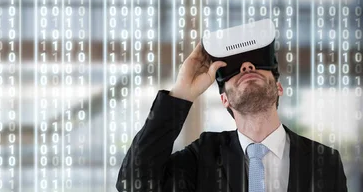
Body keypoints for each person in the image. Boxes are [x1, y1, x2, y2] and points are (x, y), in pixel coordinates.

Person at [115, 42, 347, 192]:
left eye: (256, 65)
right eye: (235, 70)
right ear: (224, 100)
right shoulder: (202, 156)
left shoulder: (325, 161)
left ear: (278, 88)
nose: (246, 67)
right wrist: (182, 93)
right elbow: (133, 184)